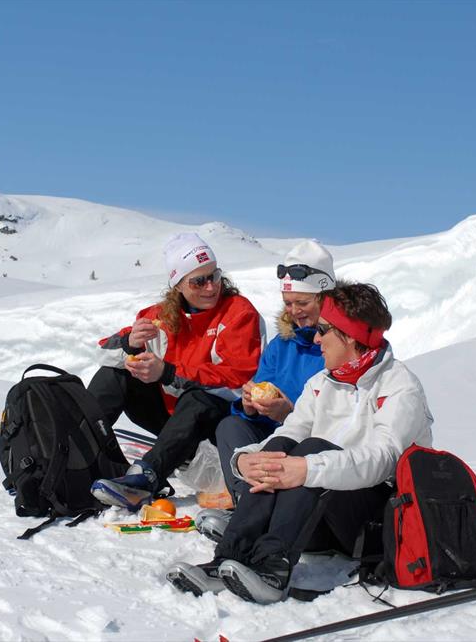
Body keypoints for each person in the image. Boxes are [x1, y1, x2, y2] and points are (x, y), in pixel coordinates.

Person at [168, 282, 434, 604]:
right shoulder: (322, 381)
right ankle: (228, 556)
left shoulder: (399, 386)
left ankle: (273, 569)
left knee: (311, 450)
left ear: (349, 336)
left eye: (324, 330)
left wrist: (308, 468)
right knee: (276, 451)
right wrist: (245, 460)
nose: (316, 338)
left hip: (374, 526)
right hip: (320, 517)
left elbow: (383, 459)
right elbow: (291, 430)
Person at [88, 232, 264, 511]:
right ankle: (76, 456)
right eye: (199, 281)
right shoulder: (158, 315)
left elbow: (238, 377)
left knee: (198, 398)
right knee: (116, 374)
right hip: (172, 421)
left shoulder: (239, 312)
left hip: (216, 426)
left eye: (215, 276)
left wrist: (169, 373)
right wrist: (129, 344)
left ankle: (146, 479)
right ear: (178, 284)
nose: (211, 287)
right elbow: (102, 353)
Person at [195, 241, 335, 540]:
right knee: (231, 425)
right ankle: (249, 507)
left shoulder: (339, 345)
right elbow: (257, 398)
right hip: (274, 442)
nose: (294, 311)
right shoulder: (281, 344)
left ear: (325, 299)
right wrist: (248, 405)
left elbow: (342, 419)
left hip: (312, 449)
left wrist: (290, 414)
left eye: (303, 303)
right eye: (288, 303)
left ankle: (266, 520)